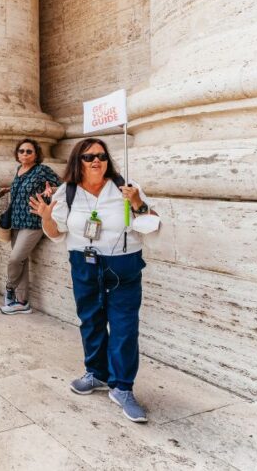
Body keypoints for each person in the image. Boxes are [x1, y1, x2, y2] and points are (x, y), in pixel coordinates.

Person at [30, 137, 160, 423]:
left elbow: (150, 222)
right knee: (91, 320)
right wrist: (46, 216)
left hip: (123, 264)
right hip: (84, 262)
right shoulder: (68, 192)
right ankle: (97, 373)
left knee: (125, 327)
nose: (96, 161)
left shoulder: (125, 186)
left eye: (100, 156)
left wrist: (137, 202)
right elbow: (57, 232)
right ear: (78, 162)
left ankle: (122, 388)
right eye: (88, 157)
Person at [0, 138, 60, 315]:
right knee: (21, 260)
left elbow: (61, 186)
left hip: (33, 222)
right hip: (16, 221)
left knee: (15, 258)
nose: (24, 154)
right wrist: (8, 189)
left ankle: (9, 288)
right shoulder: (19, 170)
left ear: (36, 154)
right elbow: (23, 186)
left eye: (29, 151)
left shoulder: (42, 170)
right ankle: (22, 302)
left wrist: (50, 191)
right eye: (21, 151)